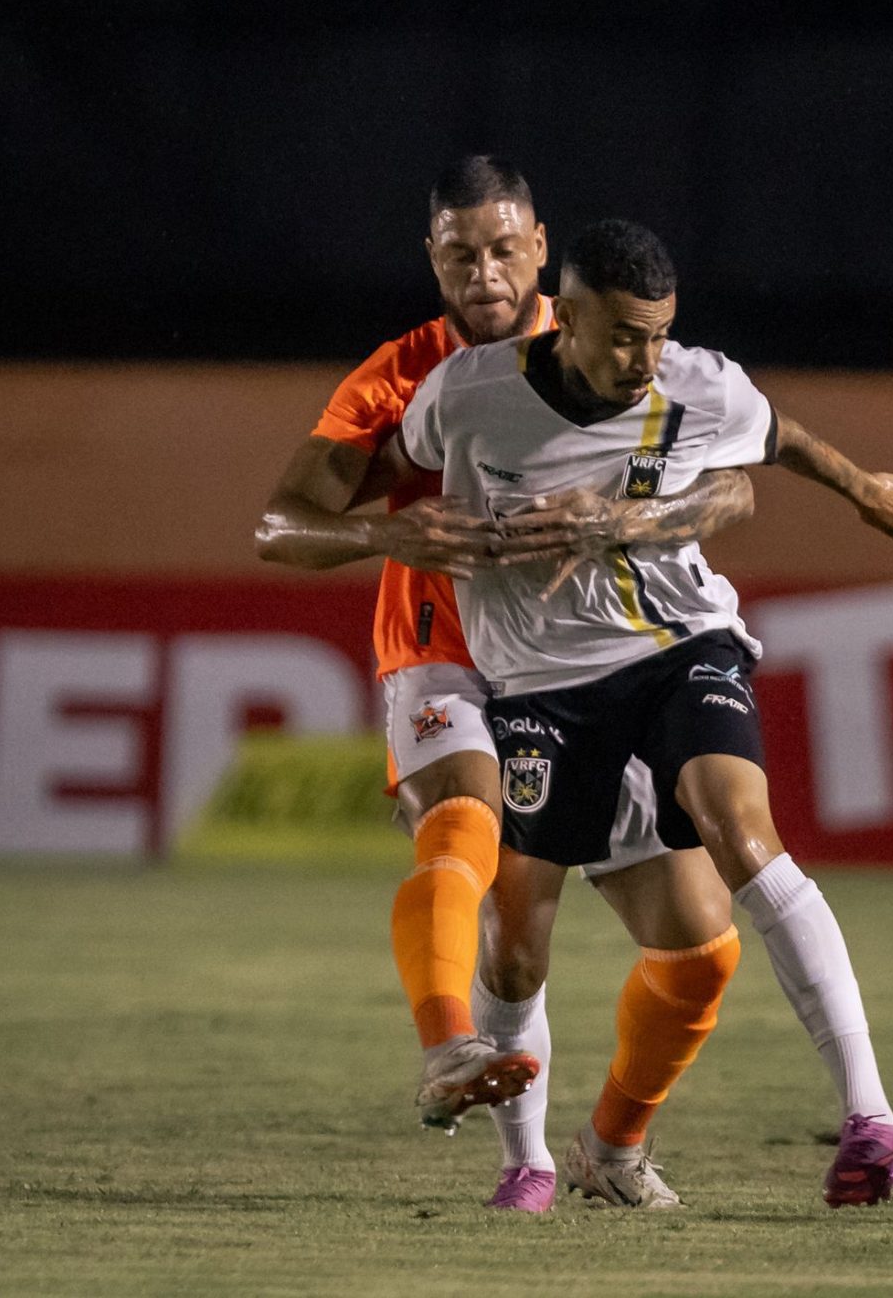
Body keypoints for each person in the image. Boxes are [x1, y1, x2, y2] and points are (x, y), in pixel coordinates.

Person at [389, 217, 893, 1209]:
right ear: (564, 318)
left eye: (657, 333)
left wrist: (865, 489)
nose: (642, 358)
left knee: (746, 829)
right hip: (538, 687)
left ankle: (870, 1116)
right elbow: (387, 472)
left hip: (677, 646)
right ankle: (526, 1162)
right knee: (518, 936)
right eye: (620, 335)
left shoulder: (697, 380)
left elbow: (777, 441)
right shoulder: (472, 396)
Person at [256, 160, 760, 1213]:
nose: (482, 272)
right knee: (466, 825)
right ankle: (461, 1064)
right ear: (432, 259)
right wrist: (383, 529)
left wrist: (643, 519)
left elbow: (737, 479)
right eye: (458, 253)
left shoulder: (615, 342)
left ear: (540, 248)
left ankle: (611, 1145)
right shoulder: (399, 376)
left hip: (599, 664)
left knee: (702, 946)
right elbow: (279, 523)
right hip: (445, 653)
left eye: (501, 249)